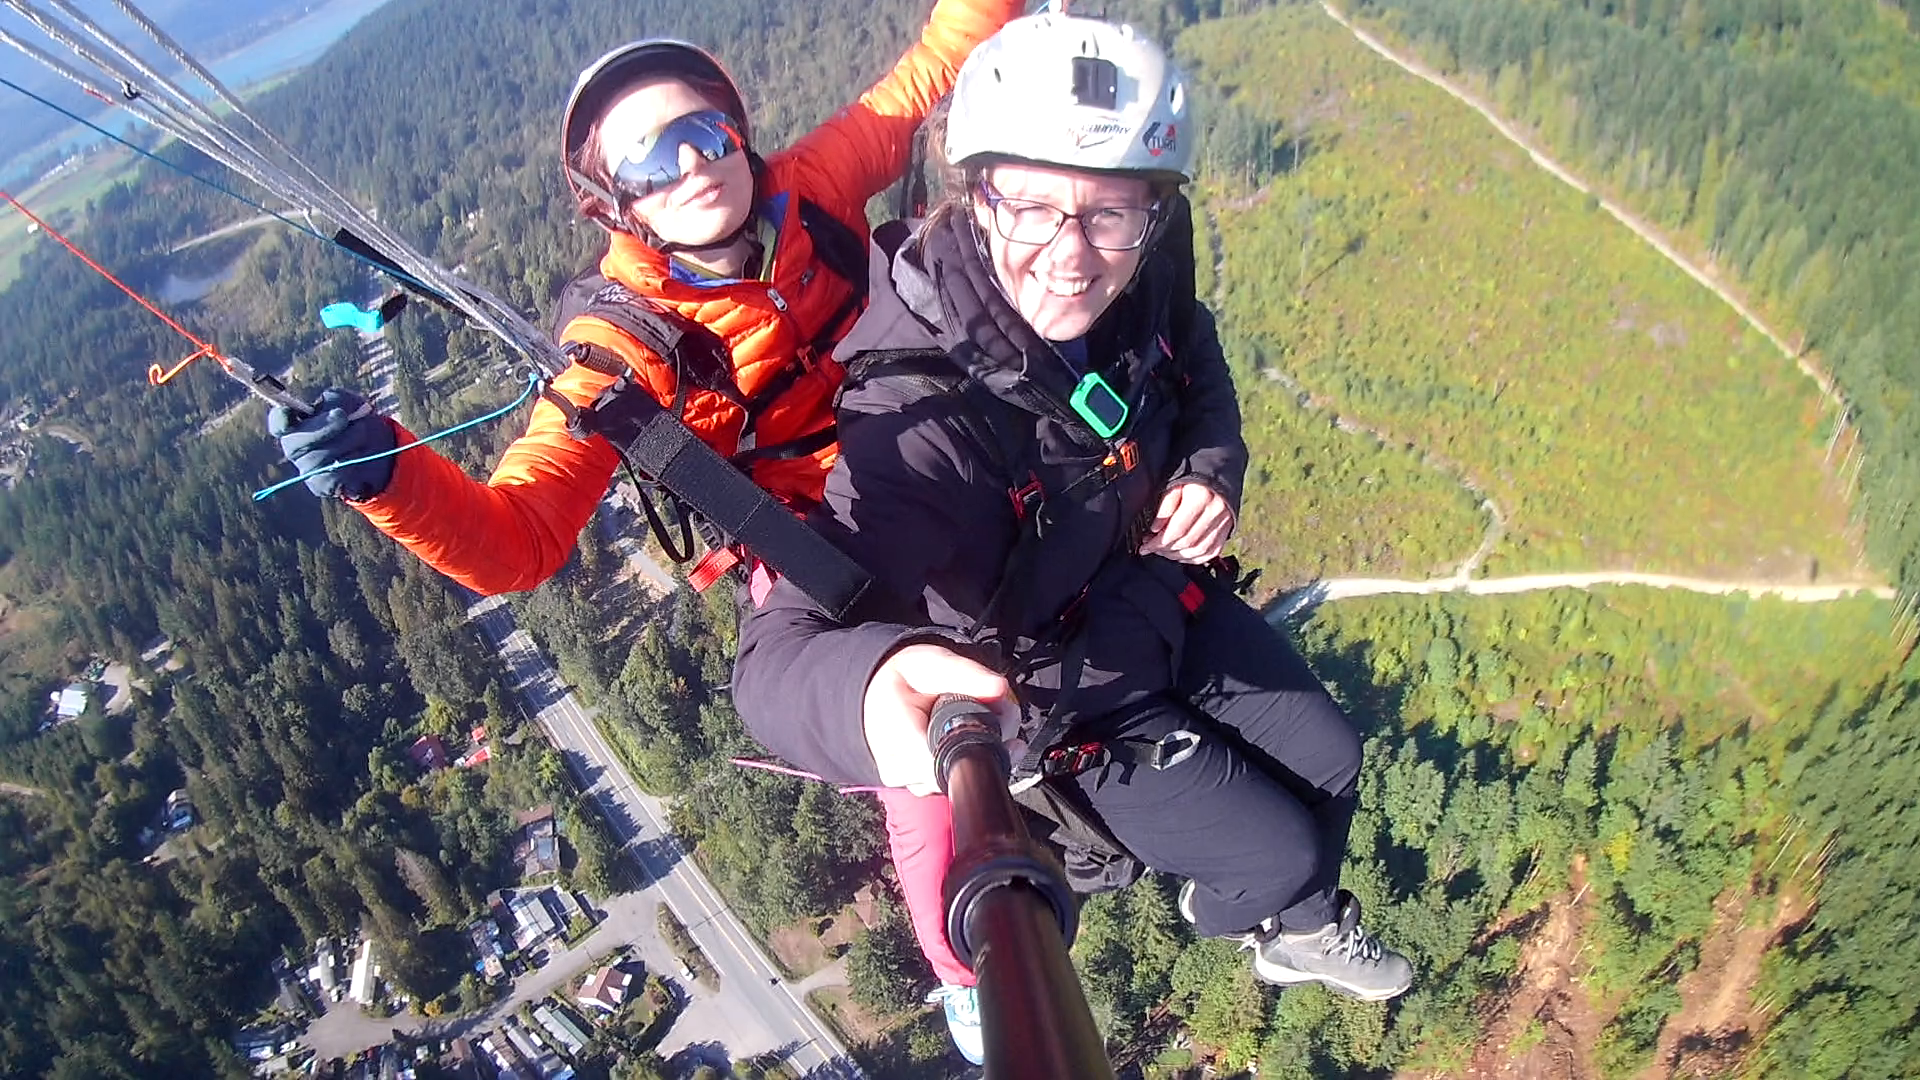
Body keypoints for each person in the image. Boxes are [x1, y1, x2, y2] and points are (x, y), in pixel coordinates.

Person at [731, 12, 1414, 1059]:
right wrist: (869, 691)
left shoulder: (1149, 269)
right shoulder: (918, 416)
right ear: (973, 191)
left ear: (1153, 210)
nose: (1068, 254)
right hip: (1065, 699)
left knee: (1335, 757)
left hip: (1151, 596)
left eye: (1109, 216)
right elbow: (774, 665)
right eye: (1031, 206)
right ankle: (1256, 915)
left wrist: (1207, 468)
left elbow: (1198, 365)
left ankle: (1305, 927)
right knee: (1275, 855)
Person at [269, 0, 1021, 595]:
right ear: (613, 201)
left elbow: (940, 63)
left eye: (706, 132)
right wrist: (387, 475)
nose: (691, 163)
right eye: (652, 159)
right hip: (830, 539)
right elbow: (520, 542)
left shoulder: (812, 186)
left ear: (736, 134)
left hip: (952, 435)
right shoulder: (626, 344)